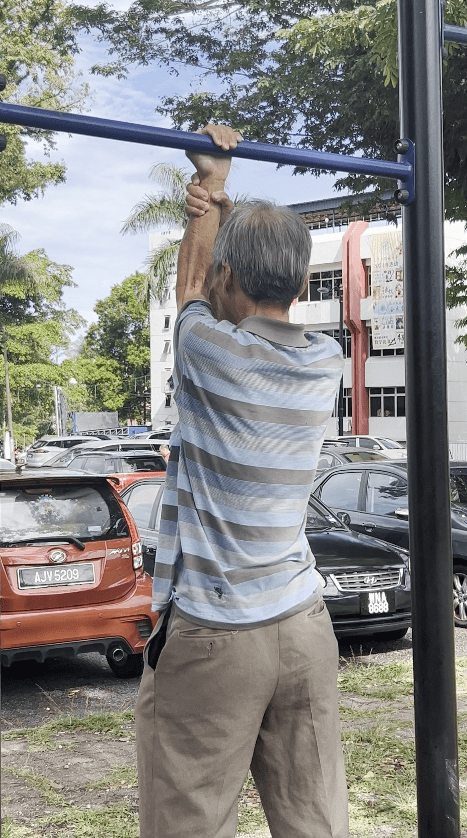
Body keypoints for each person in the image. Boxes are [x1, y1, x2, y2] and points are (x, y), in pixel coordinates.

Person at [136, 124, 349, 838]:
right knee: (314, 816)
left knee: (189, 819)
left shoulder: (207, 351)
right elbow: (213, 286)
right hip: (303, 622)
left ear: (231, 280)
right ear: (295, 281)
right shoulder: (326, 362)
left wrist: (214, 186)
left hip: (217, 635)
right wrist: (217, 205)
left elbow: (191, 288)